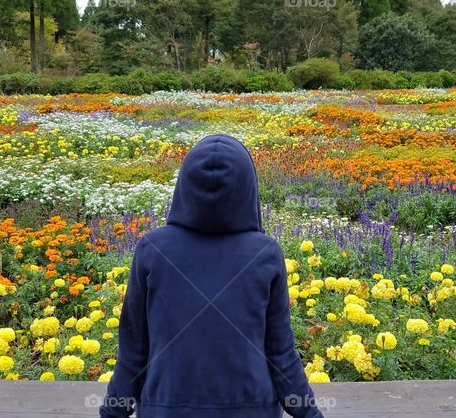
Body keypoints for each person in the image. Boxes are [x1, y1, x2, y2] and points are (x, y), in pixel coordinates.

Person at [100, 134, 325, 418]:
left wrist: (112, 412)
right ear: (247, 187)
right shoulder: (265, 253)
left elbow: (134, 351)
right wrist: (311, 414)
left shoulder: (152, 249)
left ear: (184, 186)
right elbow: (280, 355)